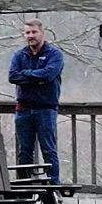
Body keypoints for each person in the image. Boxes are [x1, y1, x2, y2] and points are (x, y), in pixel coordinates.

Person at [7, 14, 66, 185]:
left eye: (34, 32)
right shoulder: (20, 55)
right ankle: (24, 186)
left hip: (46, 109)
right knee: (24, 151)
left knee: (49, 150)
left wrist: (25, 75)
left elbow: (48, 75)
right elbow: (12, 76)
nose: (30, 36)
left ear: (42, 33)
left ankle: (53, 187)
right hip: (23, 110)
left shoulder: (54, 54)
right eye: (27, 33)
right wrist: (36, 77)